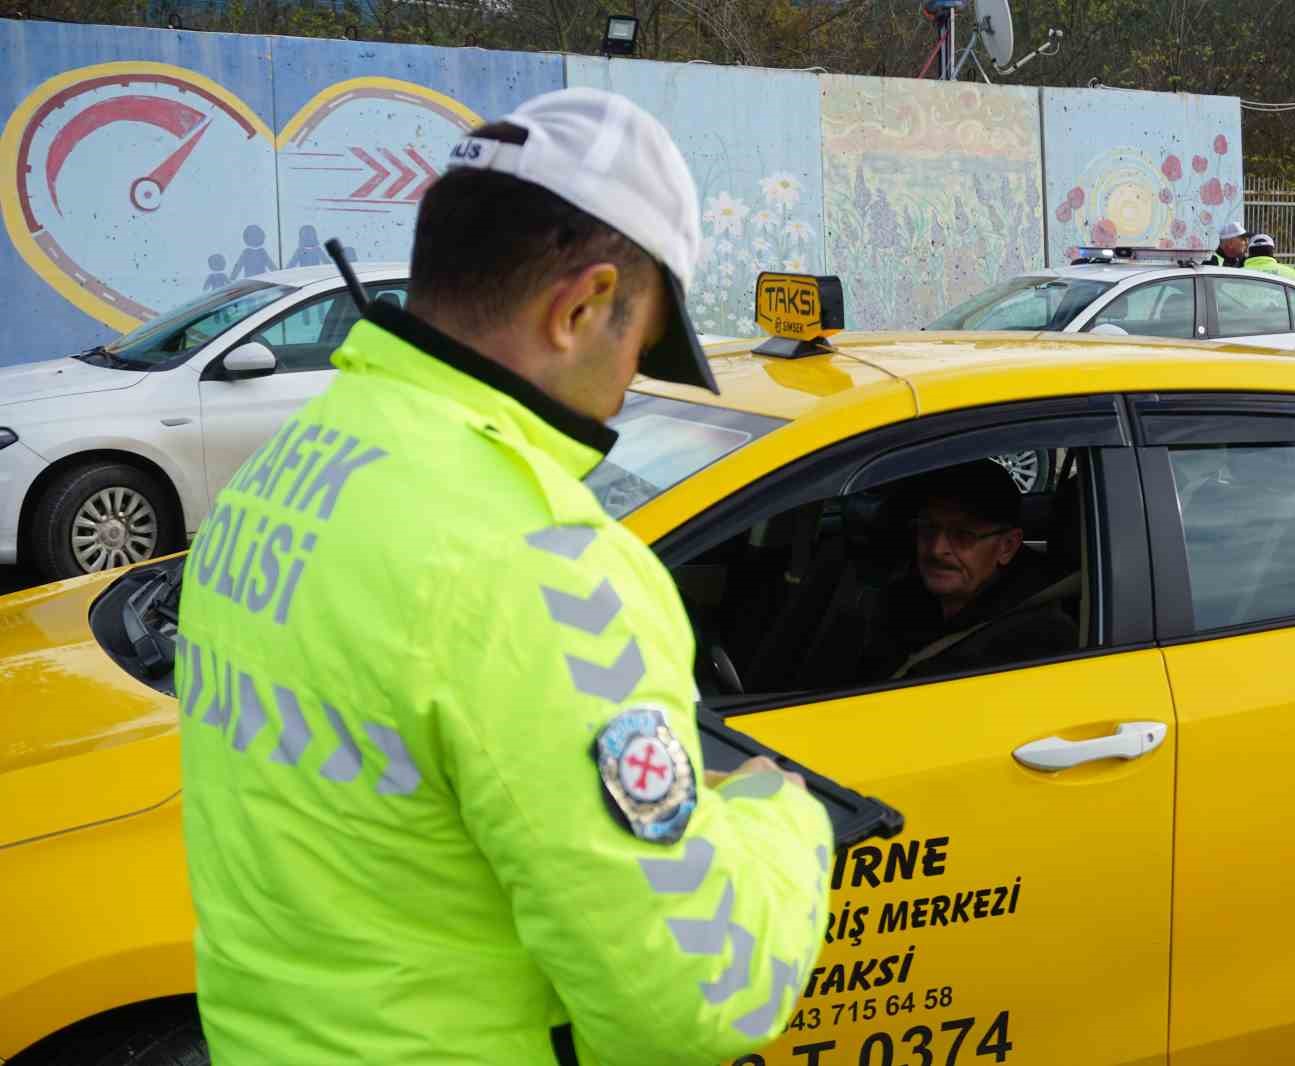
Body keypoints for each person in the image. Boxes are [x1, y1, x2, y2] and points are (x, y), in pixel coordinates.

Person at [176, 88, 832, 1065]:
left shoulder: (289, 466)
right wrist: (783, 825)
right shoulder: (544, 567)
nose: (629, 385)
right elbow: (691, 1003)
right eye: (644, 345)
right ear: (581, 308)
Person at [860, 459, 1076, 682]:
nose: (937, 549)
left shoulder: (1040, 642)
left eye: (963, 536)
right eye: (928, 529)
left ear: (1007, 546)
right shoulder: (902, 601)